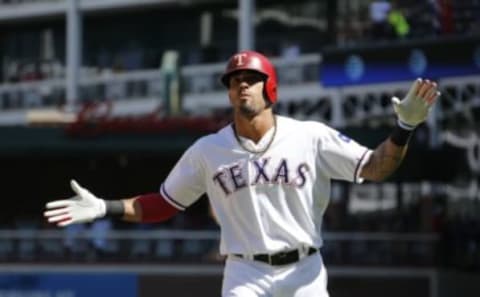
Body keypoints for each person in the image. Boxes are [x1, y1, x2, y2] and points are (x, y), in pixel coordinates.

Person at [44, 50, 440, 297]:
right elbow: (163, 204)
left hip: (305, 270)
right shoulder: (207, 150)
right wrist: (105, 208)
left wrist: (403, 128)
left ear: (272, 89)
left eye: (251, 78)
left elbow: (375, 168)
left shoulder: (310, 136)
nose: (242, 85)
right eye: (235, 81)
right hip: (244, 272)